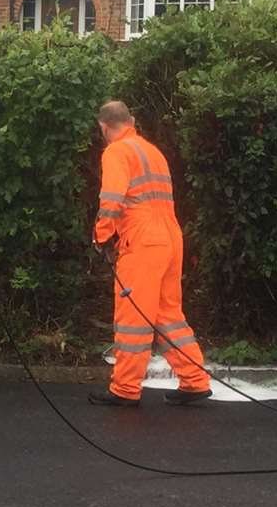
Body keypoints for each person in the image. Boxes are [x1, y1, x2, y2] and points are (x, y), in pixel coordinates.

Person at [89, 100, 211, 407]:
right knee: (167, 313)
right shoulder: (152, 151)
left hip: (142, 240)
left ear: (104, 127)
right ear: (131, 120)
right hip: (170, 236)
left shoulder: (117, 152)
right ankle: (195, 381)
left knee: (133, 317)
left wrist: (102, 235)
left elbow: (113, 198)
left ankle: (125, 389)